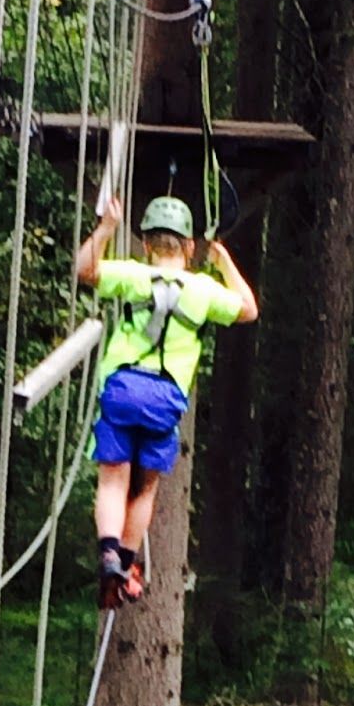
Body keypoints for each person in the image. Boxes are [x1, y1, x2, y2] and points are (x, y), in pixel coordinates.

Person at [76, 193, 259, 608]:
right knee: (145, 488)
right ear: (189, 247)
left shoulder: (132, 276)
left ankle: (108, 553)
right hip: (164, 398)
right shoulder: (203, 290)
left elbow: (84, 269)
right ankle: (126, 558)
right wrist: (223, 261)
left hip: (122, 388)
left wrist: (105, 230)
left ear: (145, 244)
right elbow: (249, 310)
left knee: (113, 477)